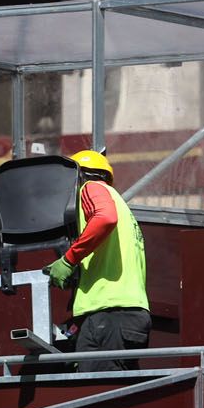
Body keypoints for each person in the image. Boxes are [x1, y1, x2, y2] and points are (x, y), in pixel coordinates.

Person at [44, 149, 150, 370]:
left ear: (78, 175)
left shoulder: (90, 188)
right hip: (125, 316)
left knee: (99, 393)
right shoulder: (121, 204)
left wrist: (68, 260)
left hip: (109, 315)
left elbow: (104, 218)